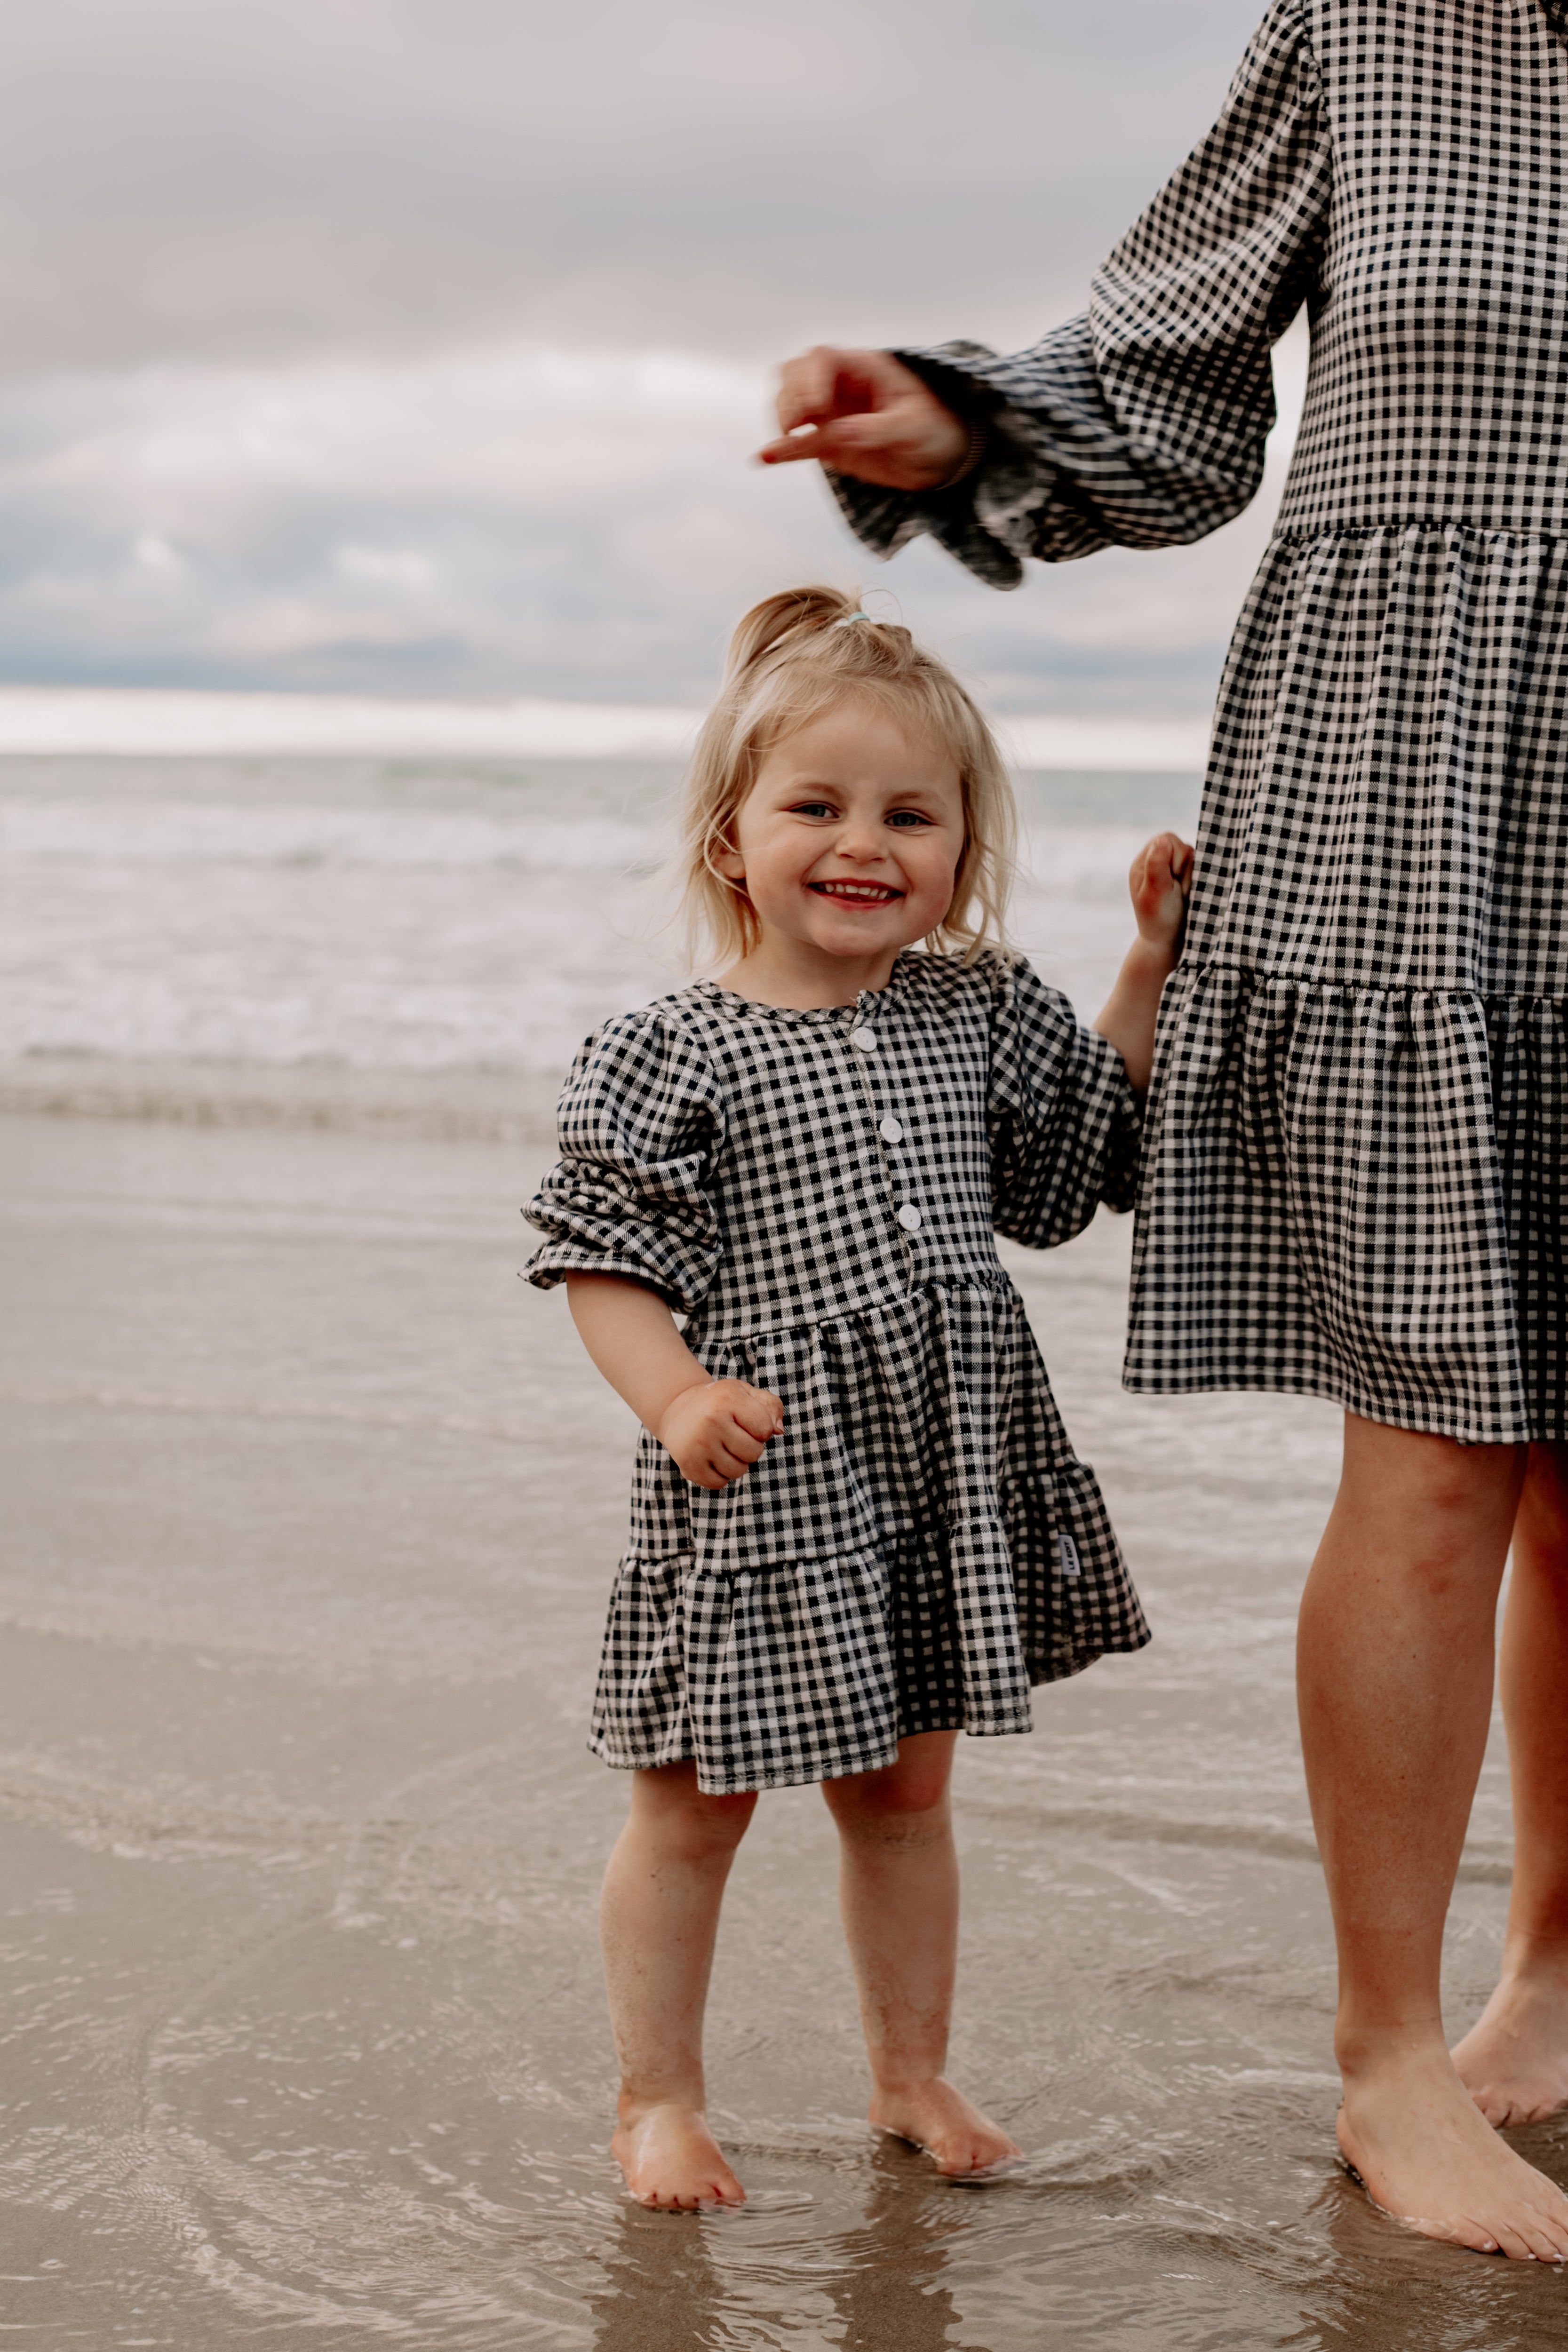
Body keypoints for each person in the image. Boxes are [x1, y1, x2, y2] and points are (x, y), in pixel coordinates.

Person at [756, 0, 1568, 2264]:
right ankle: (1394, 2055)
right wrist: (955, 414)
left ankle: (1552, 1984)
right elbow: (1175, 372)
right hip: (1408, 790)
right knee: (1438, 1432)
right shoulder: (1389, 27)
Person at [524, 585, 1191, 2209]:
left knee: (904, 1794)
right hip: (755, 1471)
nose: (864, 842)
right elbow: (600, 1259)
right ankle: (658, 2099)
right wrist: (674, 1397)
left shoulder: (974, 1006)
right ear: (729, 839)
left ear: (964, 846)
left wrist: (1146, 975)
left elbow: (1067, 1166)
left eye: (912, 813)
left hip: (935, 1468)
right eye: (815, 806)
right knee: (695, 1803)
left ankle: (909, 2073)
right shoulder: (666, 1049)